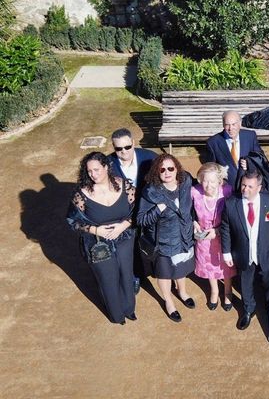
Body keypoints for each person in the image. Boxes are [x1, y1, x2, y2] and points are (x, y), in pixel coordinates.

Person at [66, 152, 136, 324]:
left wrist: (123, 225)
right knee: (108, 278)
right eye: (89, 171)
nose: (93, 174)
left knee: (126, 274)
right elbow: (72, 221)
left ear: (106, 167)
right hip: (98, 243)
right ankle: (117, 315)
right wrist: (96, 230)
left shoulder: (125, 186)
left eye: (97, 170)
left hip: (124, 236)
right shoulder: (81, 194)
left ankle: (129, 309)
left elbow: (139, 210)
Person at [137, 154, 196, 323]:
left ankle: (182, 292)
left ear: (177, 168)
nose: (167, 172)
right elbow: (141, 219)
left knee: (181, 268)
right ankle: (168, 300)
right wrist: (158, 209)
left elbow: (194, 203)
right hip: (162, 242)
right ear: (157, 172)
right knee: (164, 273)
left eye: (171, 168)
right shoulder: (150, 192)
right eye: (162, 169)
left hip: (184, 237)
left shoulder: (186, 182)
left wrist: (196, 221)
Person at [219, 171, 269, 330]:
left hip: (266, 253)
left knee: (268, 280)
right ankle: (248, 309)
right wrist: (226, 252)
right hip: (243, 253)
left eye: (250, 186)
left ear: (259, 188)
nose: (245, 189)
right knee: (246, 281)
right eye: (243, 185)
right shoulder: (231, 203)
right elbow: (225, 228)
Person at [108, 128, 157, 293]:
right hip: (125, 214)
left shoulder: (149, 157)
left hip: (149, 210)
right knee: (131, 247)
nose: (123, 152)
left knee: (154, 240)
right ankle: (136, 276)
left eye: (127, 147)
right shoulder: (108, 164)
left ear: (133, 143)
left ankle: (157, 269)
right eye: (118, 149)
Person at [191, 162, 235, 311]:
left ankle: (228, 290)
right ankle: (215, 291)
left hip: (224, 237)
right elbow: (188, 211)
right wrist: (193, 222)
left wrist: (217, 231)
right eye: (205, 180)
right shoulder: (195, 192)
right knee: (210, 266)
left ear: (220, 181)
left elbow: (233, 217)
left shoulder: (228, 192)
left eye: (212, 181)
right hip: (204, 239)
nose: (208, 185)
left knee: (225, 266)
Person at [206, 110, 264, 189]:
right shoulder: (213, 142)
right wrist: (220, 180)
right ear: (223, 125)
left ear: (240, 124)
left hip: (247, 186)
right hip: (227, 189)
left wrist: (250, 164)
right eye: (227, 125)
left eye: (234, 124)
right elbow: (210, 168)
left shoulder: (250, 136)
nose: (230, 128)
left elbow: (260, 158)